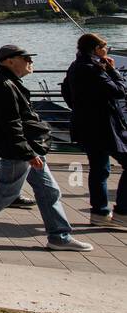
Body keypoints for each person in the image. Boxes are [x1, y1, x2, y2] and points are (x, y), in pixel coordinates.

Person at [0, 45, 92, 251]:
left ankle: (59, 236)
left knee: (48, 190)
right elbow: (11, 124)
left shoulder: (9, 82)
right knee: (8, 191)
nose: (30, 61)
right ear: (9, 61)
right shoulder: (3, 85)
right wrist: (28, 153)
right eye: (26, 58)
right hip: (19, 149)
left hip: (27, 147)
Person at [66, 32, 127, 229]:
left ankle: (99, 212)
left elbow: (66, 93)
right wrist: (112, 70)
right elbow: (119, 91)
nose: (106, 50)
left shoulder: (75, 67)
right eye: (104, 47)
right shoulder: (92, 68)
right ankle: (122, 212)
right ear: (95, 49)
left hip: (86, 125)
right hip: (104, 126)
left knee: (99, 169)